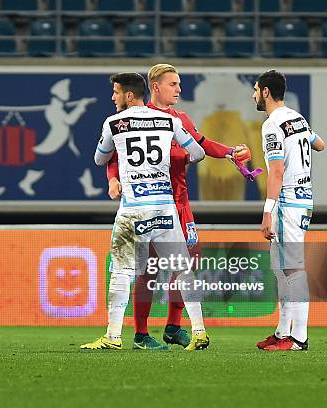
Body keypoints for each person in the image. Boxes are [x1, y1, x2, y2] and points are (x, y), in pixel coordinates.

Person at [106, 64, 251, 350]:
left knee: (186, 263)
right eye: (173, 84)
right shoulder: (135, 117)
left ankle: (173, 326)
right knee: (148, 269)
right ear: (155, 87)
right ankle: (141, 333)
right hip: (151, 203)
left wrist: (231, 152)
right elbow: (114, 156)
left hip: (180, 203)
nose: (179, 89)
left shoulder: (179, 118)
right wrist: (113, 180)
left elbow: (203, 143)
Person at [81, 72, 208, 351]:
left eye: (115, 92)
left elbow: (100, 158)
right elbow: (198, 153)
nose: (112, 97)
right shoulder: (169, 121)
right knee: (183, 268)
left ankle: (113, 336)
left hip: (134, 210)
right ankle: (199, 331)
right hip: (165, 207)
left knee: (122, 272)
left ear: (129, 95)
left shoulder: (114, 123)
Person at [253, 70, 325, 351]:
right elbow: (320, 145)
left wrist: (267, 211)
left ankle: (299, 338)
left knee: (293, 269)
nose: (254, 94)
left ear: (267, 92)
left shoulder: (272, 124)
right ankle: (283, 332)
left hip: (287, 202)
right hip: (303, 199)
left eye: (256, 90)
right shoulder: (298, 118)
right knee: (281, 269)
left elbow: (277, 171)